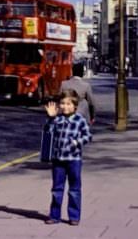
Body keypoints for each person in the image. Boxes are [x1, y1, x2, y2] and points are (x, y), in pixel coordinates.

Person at [43, 89, 92, 226]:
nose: (65, 106)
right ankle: (54, 215)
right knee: (56, 190)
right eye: (62, 104)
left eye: (69, 104)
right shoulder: (57, 119)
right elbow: (48, 132)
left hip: (74, 160)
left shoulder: (80, 120)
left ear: (75, 106)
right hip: (58, 160)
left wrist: (77, 142)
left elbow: (88, 136)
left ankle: (74, 216)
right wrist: (51, 118)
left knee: (74, 190)